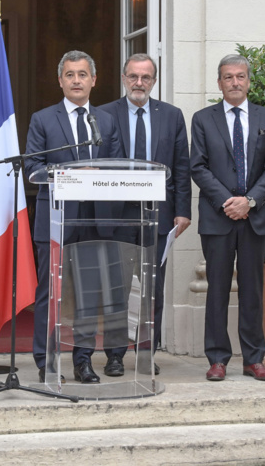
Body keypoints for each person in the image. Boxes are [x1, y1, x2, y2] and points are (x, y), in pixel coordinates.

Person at [25, 50, 122, 384]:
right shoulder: (42, 119)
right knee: (49, 294)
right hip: (55, 220)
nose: (76, 80)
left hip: (97, 220)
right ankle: (46, 361)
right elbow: (32, 168)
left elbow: (119, 166)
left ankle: (83, 362)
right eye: (70, 75)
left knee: (89, 295)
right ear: (60, 80)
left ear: (93, 80)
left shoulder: (107, 121)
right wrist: (69, 172)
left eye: (83, 74)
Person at [189, 54, 265, 382]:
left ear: (249, 81)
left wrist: (250, 201)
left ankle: (254, 359)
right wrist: (227, 202)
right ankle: (217, 358)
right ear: (219, 83)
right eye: (228, 77)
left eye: (240, 76)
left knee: (252, 289)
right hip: (218, 217)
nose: (235, 83)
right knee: (216, 288)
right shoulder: (203, 119)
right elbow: (197, 166)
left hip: (255, 218)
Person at [99, 53, 191, 376]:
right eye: (133, 77)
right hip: (117, 215)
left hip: (159, 215)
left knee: (153, 288)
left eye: (146, 78)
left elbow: (182, 165)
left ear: (154, 81)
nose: (139, 83)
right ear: (124, 78)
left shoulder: (171, 116)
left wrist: (183, 211)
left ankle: (145, 354)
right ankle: (114, 355)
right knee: (117, 287)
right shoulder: (105, 114)